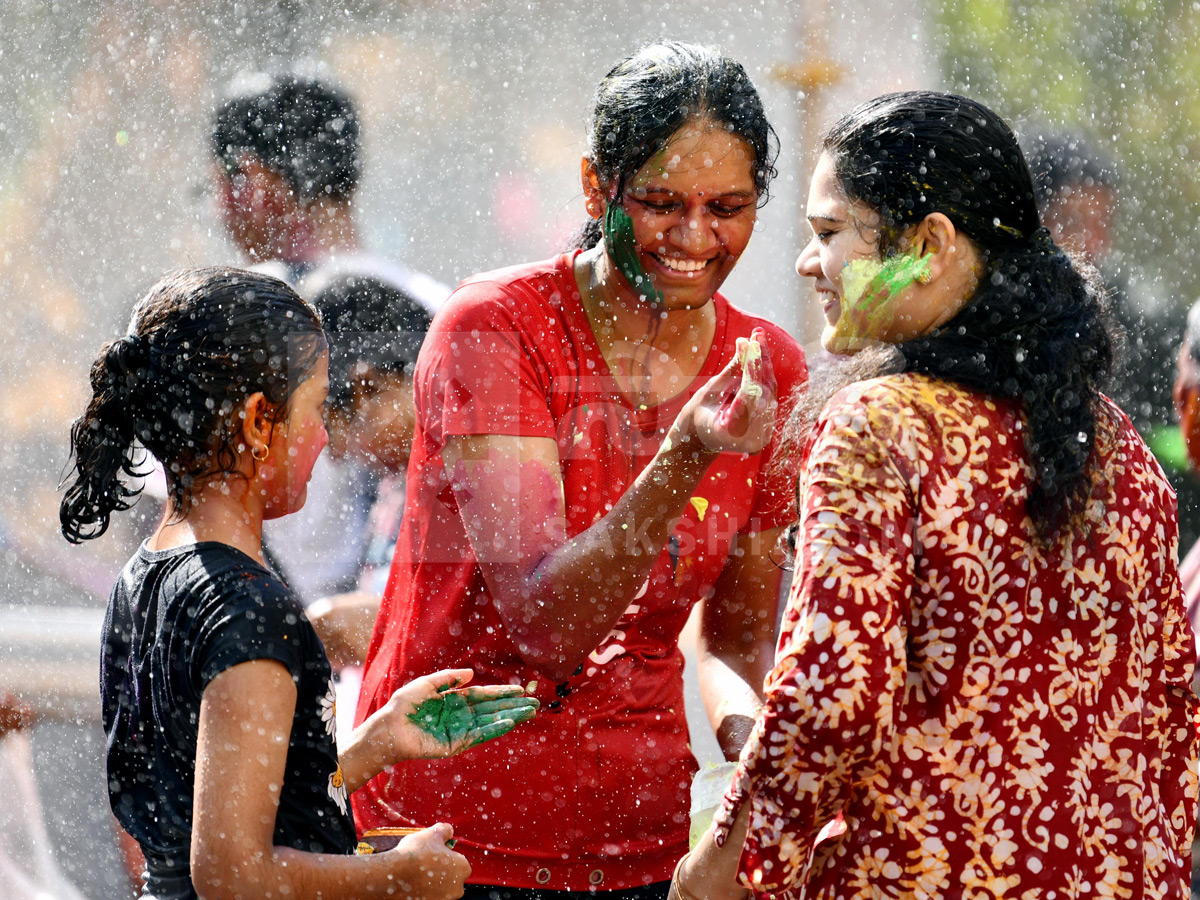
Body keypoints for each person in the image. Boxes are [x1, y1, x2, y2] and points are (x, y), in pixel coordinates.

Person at [673, 92, 1198, 898]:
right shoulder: (1120, 445)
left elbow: (830, 698)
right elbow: (1171, 721)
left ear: (929, 244)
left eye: (828, 234)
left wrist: (729, 865)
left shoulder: (877, 427)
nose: (809, 263)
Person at [353, 40, 808, 897]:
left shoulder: (768, 370)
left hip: (637, 844)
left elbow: (738, 638)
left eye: (729, 207)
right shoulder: (496, 329)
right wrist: (686, 455)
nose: (695, 237)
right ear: (598, 187)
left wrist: (755, 743)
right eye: (662, 203)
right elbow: (545, 621)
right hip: (444, 839)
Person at [58, 267, 538, 900]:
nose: (325, 439)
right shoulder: (250, 611)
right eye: (315, 409)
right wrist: (401, 875)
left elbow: (222, 797)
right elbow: (233, 873)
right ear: (260, 424)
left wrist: (378, 742)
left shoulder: (145, 576)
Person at [211, 73, 450, 602]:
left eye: (216, 188)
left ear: (251, 181)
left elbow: (169, 502)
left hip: (251, 623)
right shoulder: (443, 310)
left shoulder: (225, 320)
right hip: (395, 635)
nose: (334, 449)